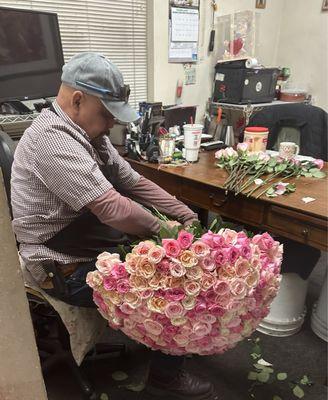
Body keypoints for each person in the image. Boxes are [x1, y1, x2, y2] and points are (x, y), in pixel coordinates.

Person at [11, 52, 218, 400]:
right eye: (107, 115)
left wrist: (185, 214)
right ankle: (165, 379)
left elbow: (133, 181)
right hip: (59, 264)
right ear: (78, 100)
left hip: (88, 243)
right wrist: (166, 233)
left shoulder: (90, 135)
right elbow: (109, 206)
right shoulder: (51, 139)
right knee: (176, 282)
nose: (111, 125)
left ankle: (160, 342)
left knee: (174, 261)